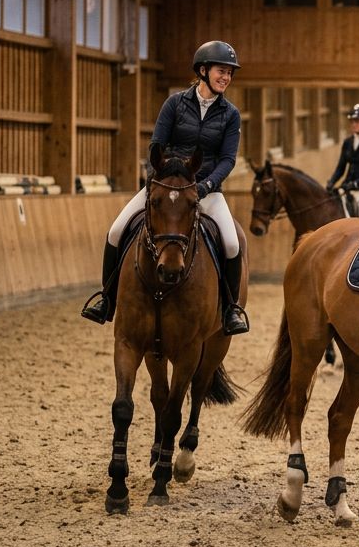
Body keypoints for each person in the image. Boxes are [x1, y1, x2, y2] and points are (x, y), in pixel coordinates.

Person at [81, 40, 249, 334]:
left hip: (204, 190)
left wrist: (207, 184)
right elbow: (155, 147)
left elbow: (227, 160)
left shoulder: (230, 114)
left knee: (233, 243)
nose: (226, 77)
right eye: (222, 71)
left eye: (230, 73)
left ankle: (231, 310)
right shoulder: (174, 104)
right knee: (116, 230)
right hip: (165, 185)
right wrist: (157, 180)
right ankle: (107, 300)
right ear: (203, 70)